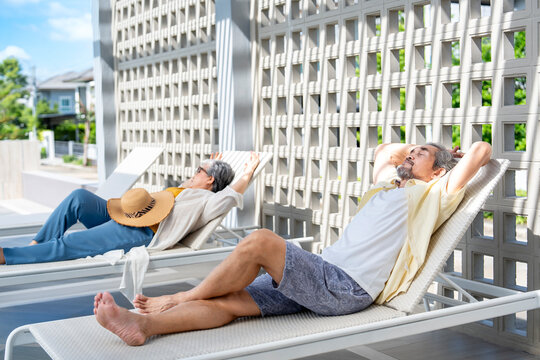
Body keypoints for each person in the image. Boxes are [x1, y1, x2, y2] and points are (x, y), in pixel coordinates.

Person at [93, 141, 492, 346]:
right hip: (321, 275)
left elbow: (482, 151)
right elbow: (385, 151)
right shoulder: (386, 188)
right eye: (414, 148)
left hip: (344, 287)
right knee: (229, 303)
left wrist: (449, 164)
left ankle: (180, 297)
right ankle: (144, 326)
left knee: (262, 241)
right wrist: (414, 156)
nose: (412, 152)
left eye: (423, 153)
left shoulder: (432, 196)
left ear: (438, 171)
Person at [0, 153, 261, 265]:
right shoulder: (188, 189)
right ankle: (38, 243)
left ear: (210, 181)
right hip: (128, 214)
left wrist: (247, 171)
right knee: (79, 197)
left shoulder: (207, 201)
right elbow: (197, 181)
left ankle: (9, 256)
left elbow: (229, 196)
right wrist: (210, 164)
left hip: (141, 232)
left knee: (73, 242)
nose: (194, 172)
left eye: (199, 170)